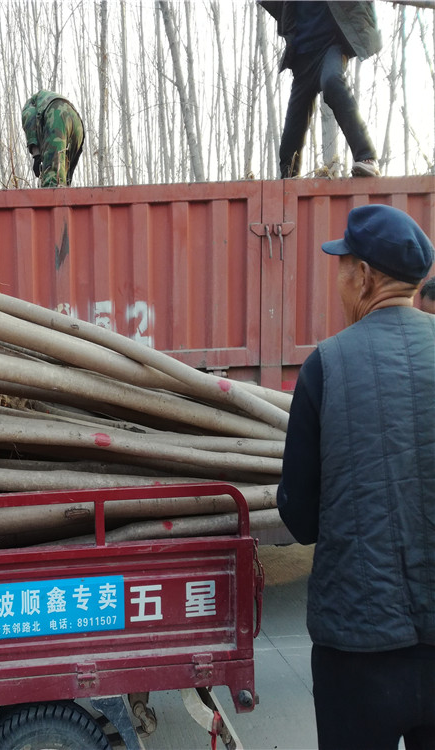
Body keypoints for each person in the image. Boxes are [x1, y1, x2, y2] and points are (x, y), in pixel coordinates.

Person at [277, 204, 435, 749]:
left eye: (343, 268)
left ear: (363, 275)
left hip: (358, 652)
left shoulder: (327, 365)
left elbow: (299, 517)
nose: (340, 281)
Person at [259, 1, 382, 178]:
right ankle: (287, 176)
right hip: (302, 56)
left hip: (331, 47)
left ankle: (366, 157)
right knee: (294, 122)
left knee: (332, 82)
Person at [21, 91, 84, 187]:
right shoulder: (43, 101)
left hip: (57, 112)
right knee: (62, 177)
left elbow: (29, 116)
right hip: (77, 124)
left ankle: (50, 197)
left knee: (52, 181)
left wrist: (36, 154)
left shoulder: (30, 103)